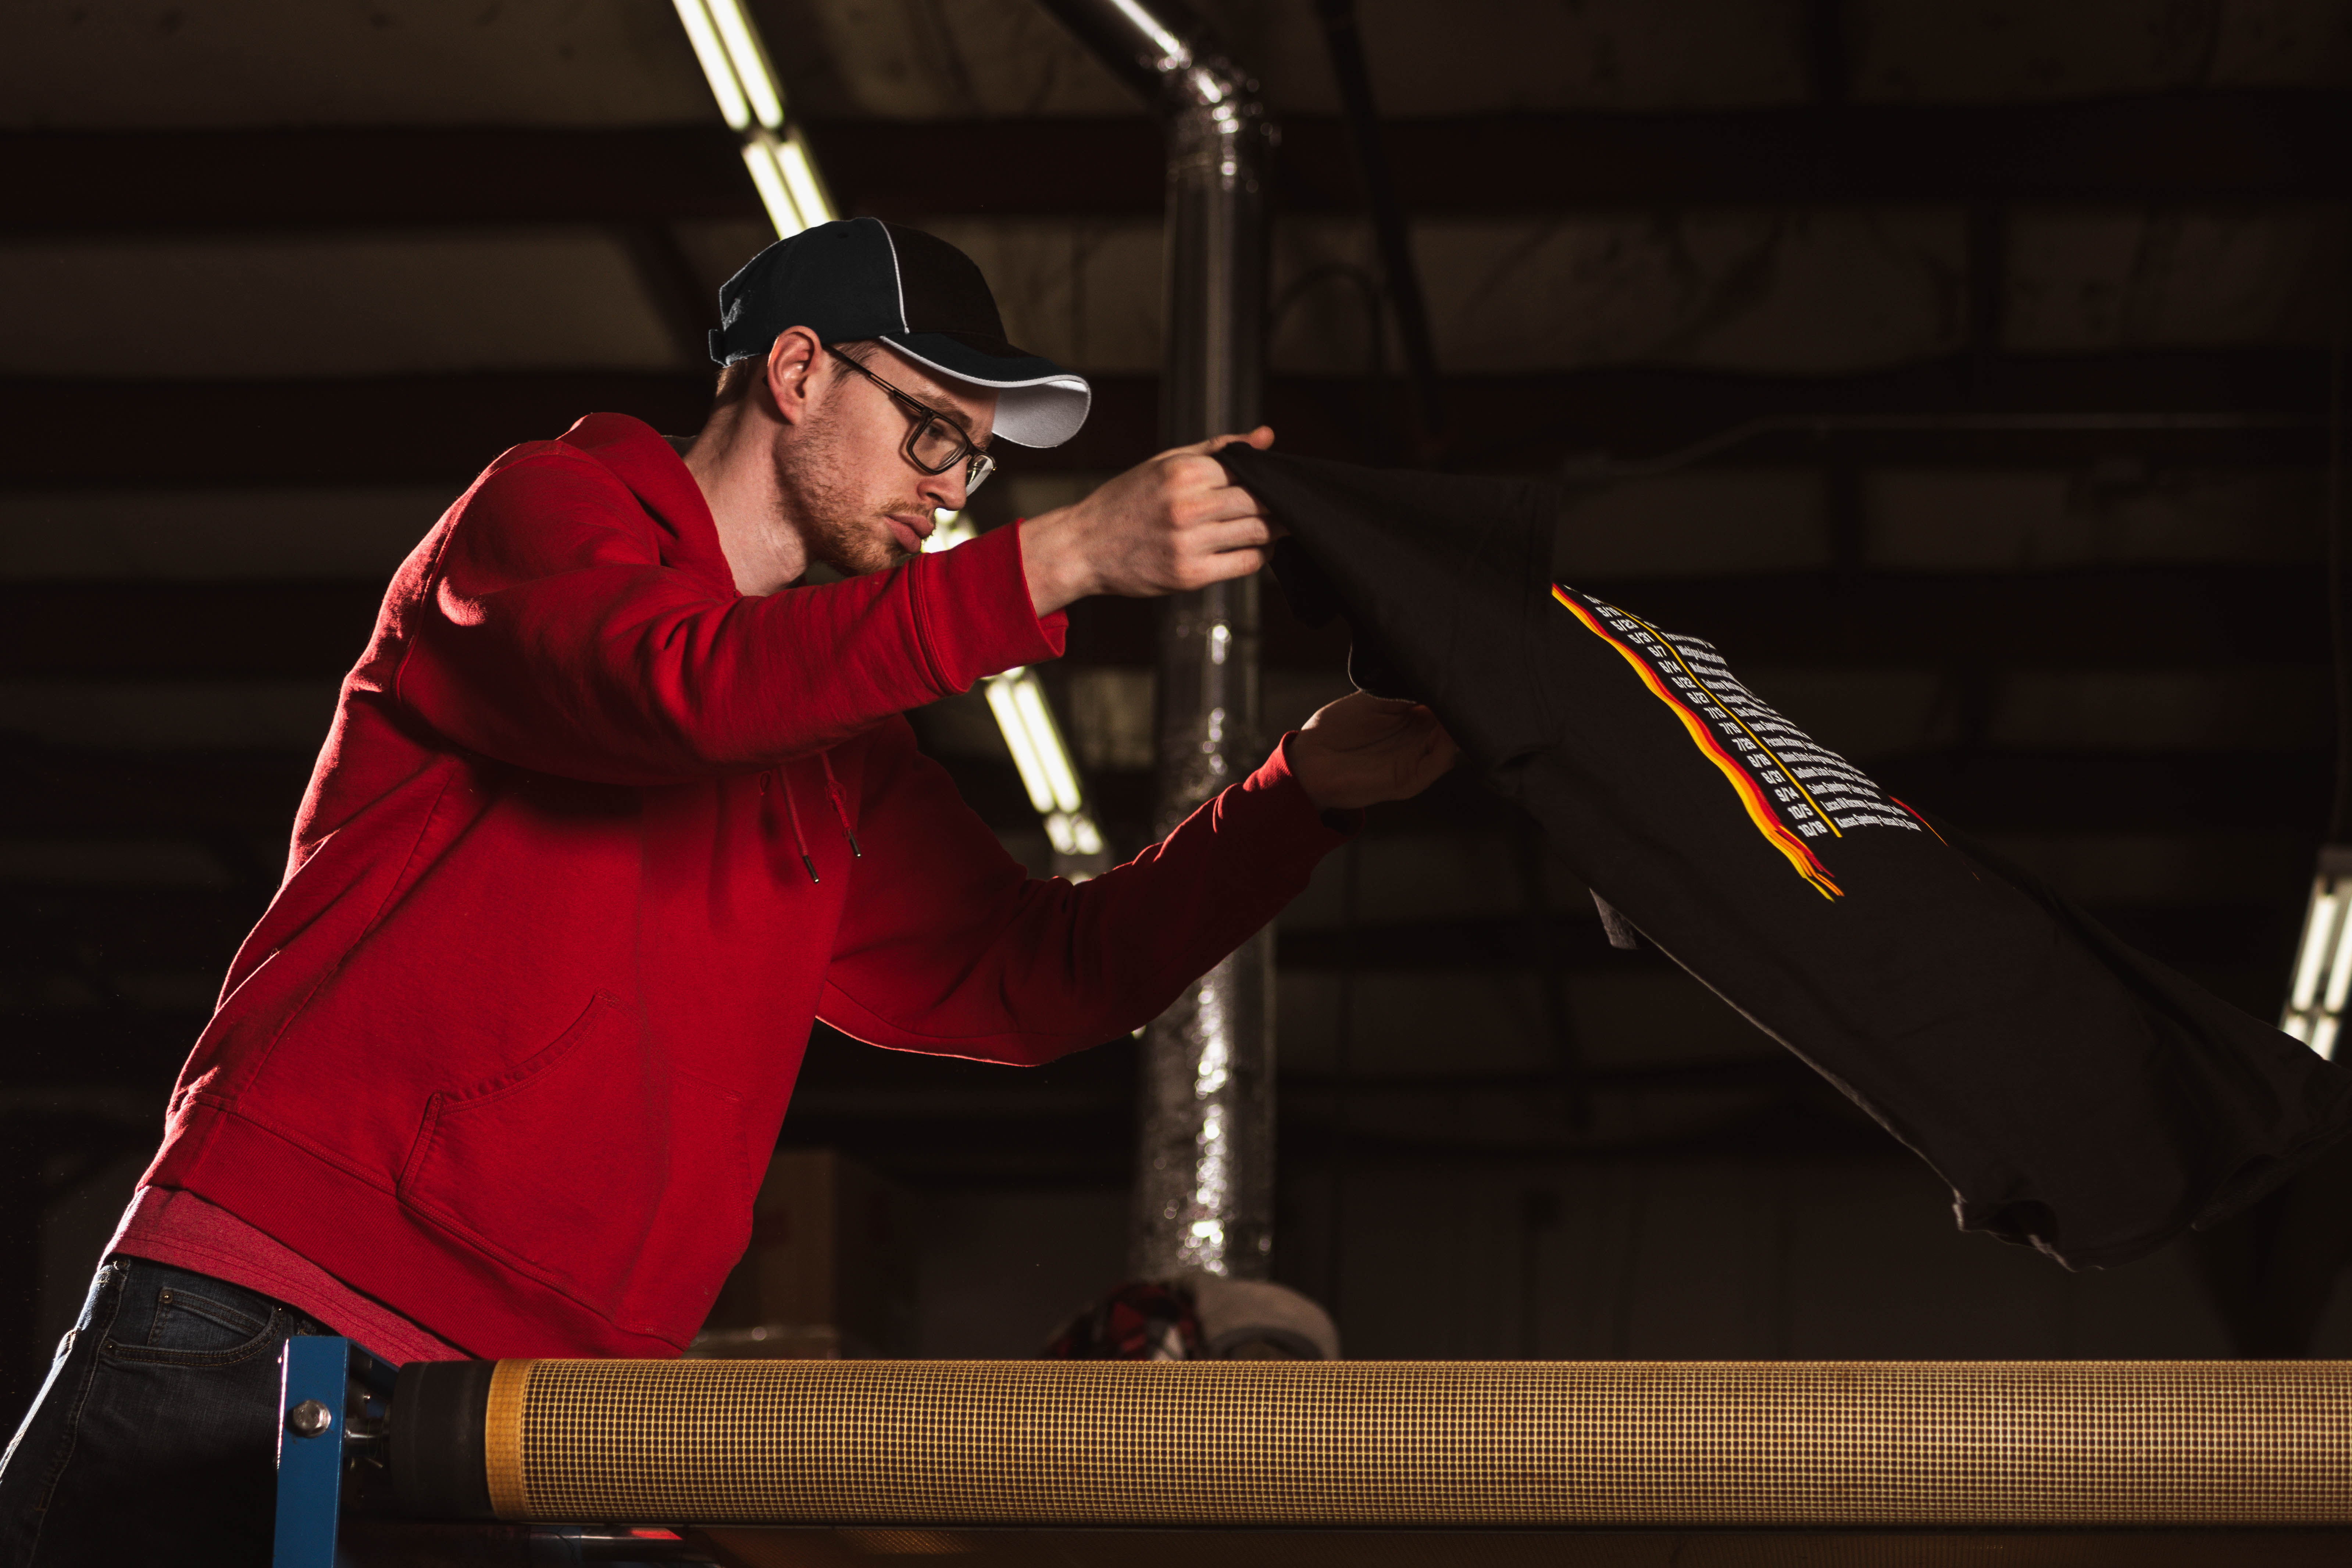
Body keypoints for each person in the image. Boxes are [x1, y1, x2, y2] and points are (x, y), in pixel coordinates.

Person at [0, 219, 1455, 1562]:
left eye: (979, 463)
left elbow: (1030, 979)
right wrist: (1062, 554)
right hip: (278, 1316)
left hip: (551, 1415)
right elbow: (668, 687)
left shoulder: (839, 751)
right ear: (800, 372)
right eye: (934, 428)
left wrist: (1296, 798)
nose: (953, 487)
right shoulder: (543, 516)